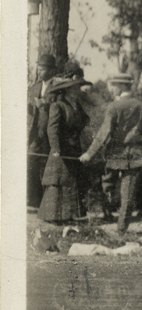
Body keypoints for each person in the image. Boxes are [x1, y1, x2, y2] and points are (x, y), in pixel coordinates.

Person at [80, 73, 142, 233]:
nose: (111, 89)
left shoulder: (114, 107)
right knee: (128, 192)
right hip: (135, 154)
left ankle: (109, 211)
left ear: (121, 86)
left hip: (116, 153)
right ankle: (122, 228)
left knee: (107, 183)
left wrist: (90, 153)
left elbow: (103, 133)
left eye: (113, 86)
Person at [38, 74, 93, 229]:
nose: (77, 90)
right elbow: (52, 128)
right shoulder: (58, 105)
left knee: (70, 181)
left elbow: (85, 120)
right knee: (57, 181)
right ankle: (52, 216)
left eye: (77, 87)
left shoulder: (76, 105)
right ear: (67, 90)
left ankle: (67, 216)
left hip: (73, 148)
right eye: (74, 88)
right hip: (60, 150)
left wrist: (77, 131)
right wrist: (55, 148)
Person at [28, 53, 59, 209]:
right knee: (32, 160)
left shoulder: (58, 87)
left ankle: (46, 204)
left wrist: (45, 104)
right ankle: (34, 201)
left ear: (51, 70)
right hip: (36, 133)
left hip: (50, 132)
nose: (40, 72)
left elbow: (60, 106)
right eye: (38, 69)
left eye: (43, 69)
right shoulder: (35, 87)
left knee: (47, 165)